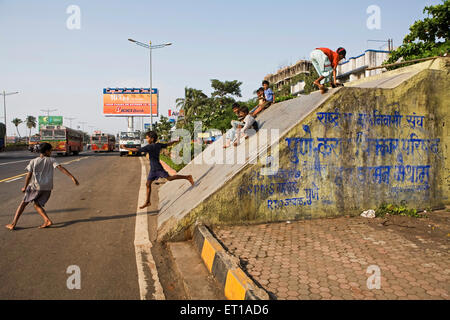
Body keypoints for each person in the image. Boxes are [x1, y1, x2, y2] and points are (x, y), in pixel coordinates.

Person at [5, 143, 80, 230]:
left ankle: (13, 223)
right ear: (47, 151)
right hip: (47, 188)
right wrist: (72, 177)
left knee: (23, 204)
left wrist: (25, 187)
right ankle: (47, 220)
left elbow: (29, 176)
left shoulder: (33, 161)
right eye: (51, 150)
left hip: (35, 187)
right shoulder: (52, 160)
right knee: (37, 205)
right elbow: (61, 168)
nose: (51, 152)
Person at [120, 131, 194, 209]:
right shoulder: (158, 145)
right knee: (148, 184)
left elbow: (137, 150)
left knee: (169, 178)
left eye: (147, 137)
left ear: (152, 139)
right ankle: (148, 202)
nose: (146, 139)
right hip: (153, 169)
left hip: (157, 168)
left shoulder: (150, 147)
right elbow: (167, 144)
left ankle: (188, 177)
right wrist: (175, 141)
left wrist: (125, 148)